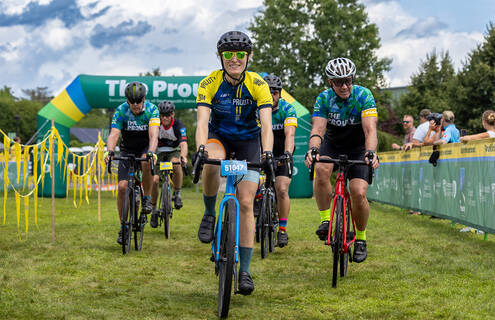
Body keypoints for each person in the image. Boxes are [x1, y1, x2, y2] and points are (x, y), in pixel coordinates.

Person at [194, 31, 273, 295]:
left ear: (248, 57)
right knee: (210, 160)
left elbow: (266, 126)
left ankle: (246, 271)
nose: (235, 59)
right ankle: (209, 212)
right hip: (220, 138)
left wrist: (268, 153)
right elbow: (203, 122)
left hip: (249, 142)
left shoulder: (258, 84)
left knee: (248, 202)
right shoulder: (210, 82)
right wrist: (200, 148)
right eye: (228, 54)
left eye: (240, 54)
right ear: (220, 57)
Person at [304, 57, 379, 263]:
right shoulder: (324, 98)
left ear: (353, 78)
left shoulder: (363, 95)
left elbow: (370, 129)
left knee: (358, 192)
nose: (344, 86)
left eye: (347, 80)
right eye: (338, 82)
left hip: (358, 147)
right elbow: (318, 129)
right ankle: (326, 220)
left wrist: (370, 152)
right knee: (321, 169)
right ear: (331, 82)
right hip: (333, 144)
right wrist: (313, 149)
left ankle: (361, 239)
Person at [105, 81, 159, 245]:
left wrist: (151, 151)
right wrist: (110, 151)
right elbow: (114, 133)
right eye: (132, 101)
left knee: (145, 161)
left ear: (144, 99)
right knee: (122, 187)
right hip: (127, 149)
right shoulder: (121, 110)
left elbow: (154, 135)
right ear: (127, 101)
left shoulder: (152, 110)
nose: (135, 105)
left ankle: (147, 197)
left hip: (145, 146)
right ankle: (123, 226)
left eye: (138, 101)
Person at [262, 73, 297, 248]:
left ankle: (282, 230)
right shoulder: (257, 109)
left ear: (279, 93)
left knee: (282, 189)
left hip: (282, 153)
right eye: (267, 92)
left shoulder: (287, 109)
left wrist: (287, 154)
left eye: (274, 92)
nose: (271, 95)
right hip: (263, 152)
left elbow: (290, 134)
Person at [150, 100, 188, 228]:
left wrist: (183, 156)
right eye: (163, 115)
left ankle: (177, 193)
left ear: (173, 114)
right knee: (154, 180)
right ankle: (154, 210)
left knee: (176, 163)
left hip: (173, 152)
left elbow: (183, 143)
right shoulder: (156, 124)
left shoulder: (178, 125)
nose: (165, 118)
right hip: (159, 153)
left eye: (168, 115)